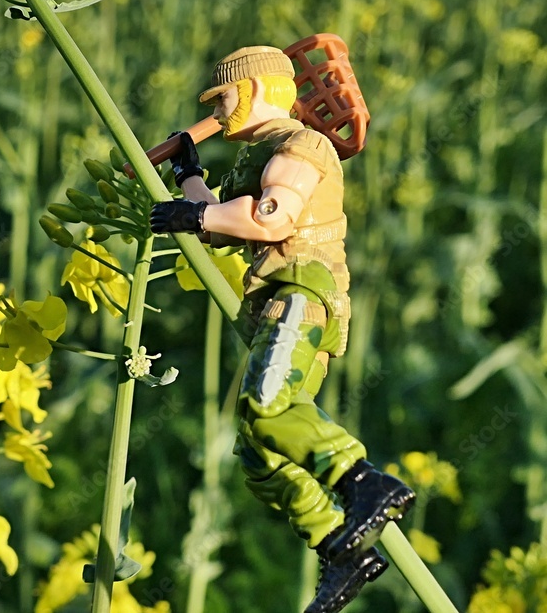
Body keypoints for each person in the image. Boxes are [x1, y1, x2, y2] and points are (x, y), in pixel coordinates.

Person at [150, 46, 415, 613]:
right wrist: (189, 177)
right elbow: (227, 224)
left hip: (302, 293)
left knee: (267, 405)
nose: (217, 112)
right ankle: (339, 548)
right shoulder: (263, 154)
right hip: (276, 301)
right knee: (259, 446)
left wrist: (192, 215)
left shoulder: (302, 146)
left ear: (255, 91)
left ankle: (363, 481)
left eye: (223, 98)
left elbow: (270, 220)